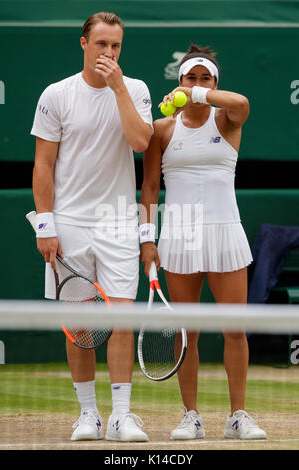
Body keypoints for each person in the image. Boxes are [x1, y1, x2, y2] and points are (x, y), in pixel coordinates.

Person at [31, 11, 153, 442]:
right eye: (101, 44)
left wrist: (118, 85)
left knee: (121, 319)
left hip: (119, 223)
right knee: (80, 324)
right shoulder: (57, 94)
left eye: (116, 46)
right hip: (70, 223)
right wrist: (45, 225)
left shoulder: (135, 89)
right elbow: (43, 165)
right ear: (83, 43)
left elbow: (140, 142)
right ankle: (88, 414)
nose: (109, 53)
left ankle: (121, 415)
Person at [140, 44, 267, 440]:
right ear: (177, 81)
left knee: (235, 330)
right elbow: (148, 189)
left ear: (214, 83)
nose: (197, 84)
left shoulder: (228, 119)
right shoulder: (161, 129)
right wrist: (148, 239)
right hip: (179, 236)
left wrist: (195, 96)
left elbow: (242, 101)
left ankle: (237, 416)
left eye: (205, 78)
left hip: (225, 232)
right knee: (186, 334)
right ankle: (190, 415)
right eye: (189, 78)